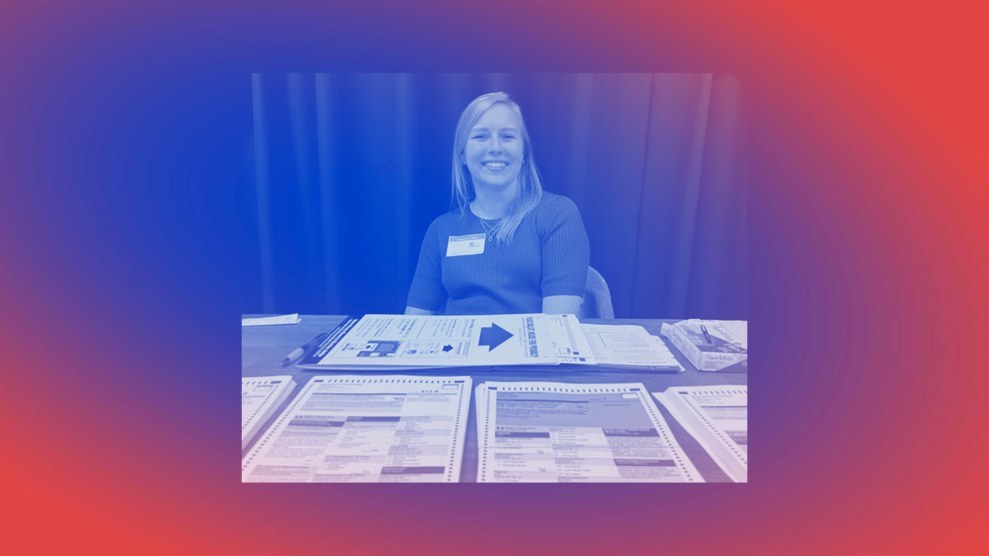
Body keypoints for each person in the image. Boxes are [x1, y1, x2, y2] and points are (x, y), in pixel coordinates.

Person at [406, 92, 590, 315]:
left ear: (524, 153)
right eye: (481, 137)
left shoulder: (557, 215)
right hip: (457, 348)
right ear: (462, 154)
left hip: (533, 349)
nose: (495, 147)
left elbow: (558, 329)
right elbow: (415, 323)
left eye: (507, 136)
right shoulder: (440, 229)